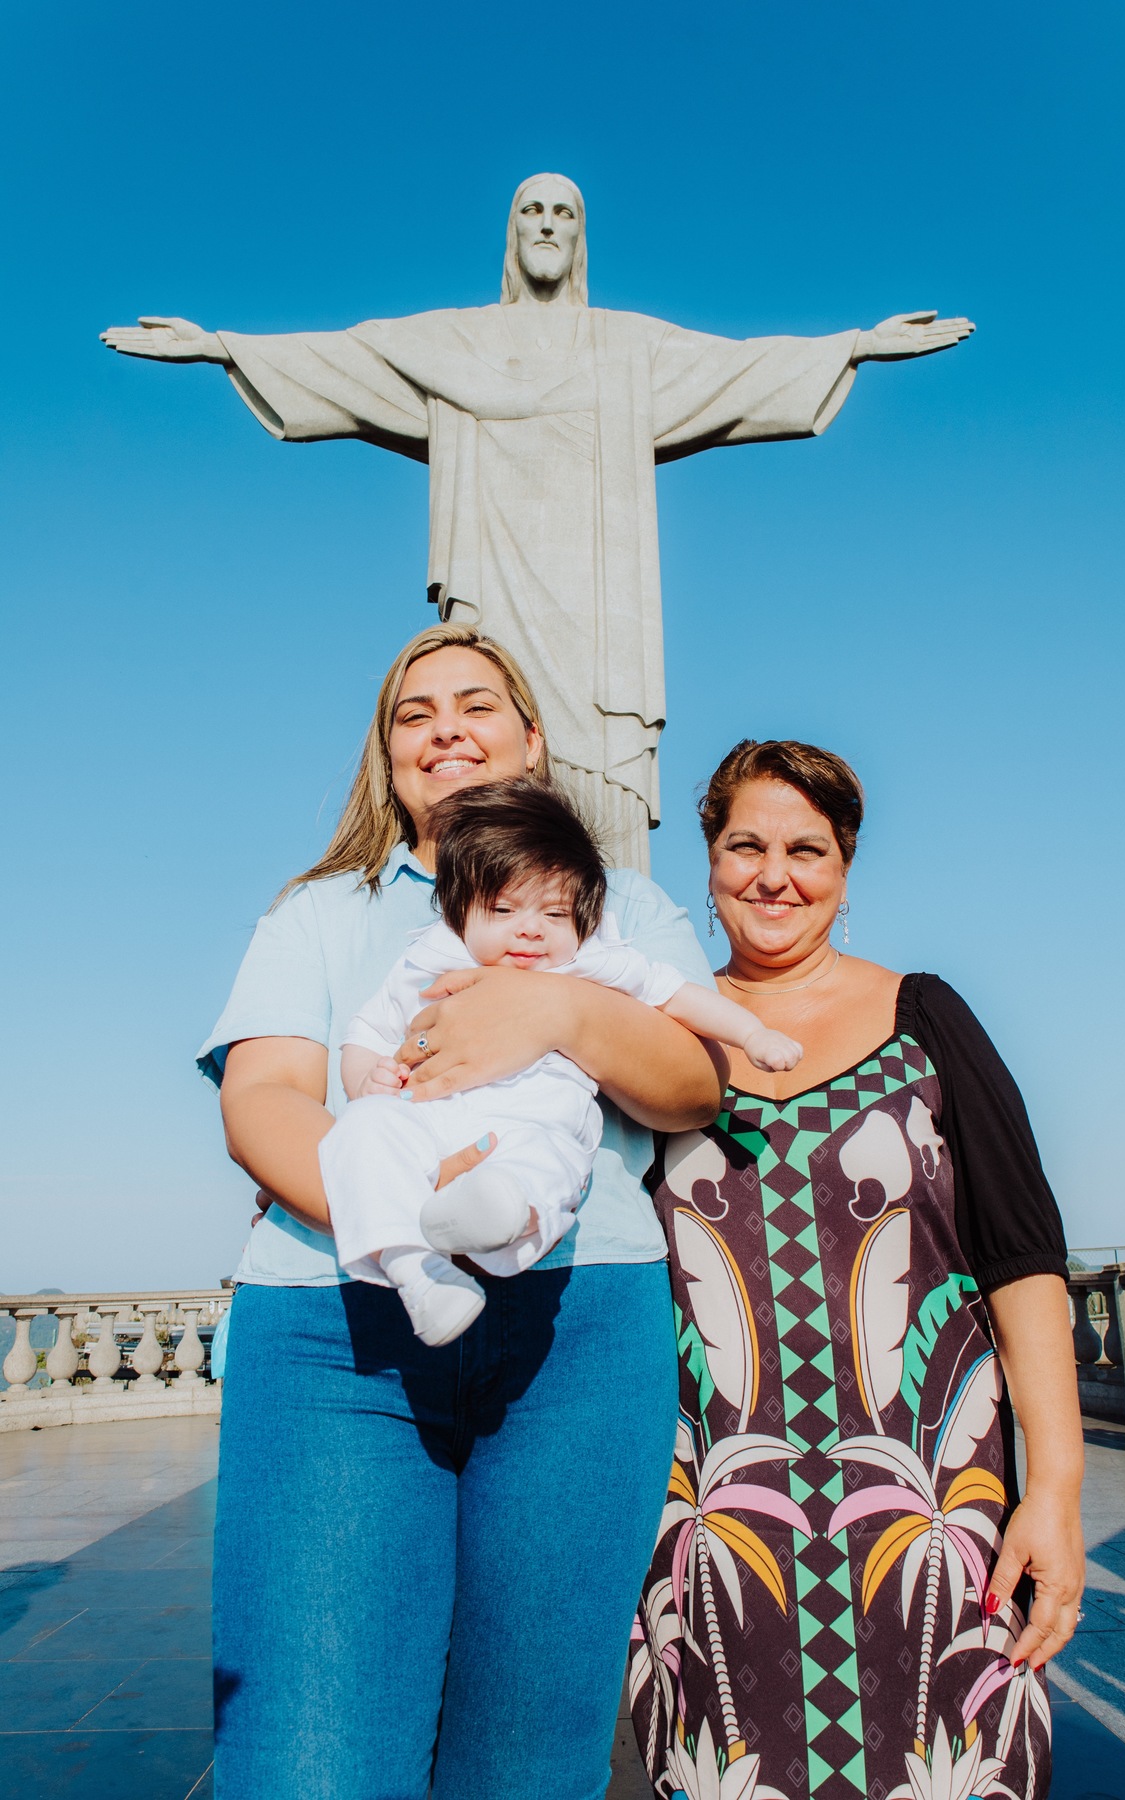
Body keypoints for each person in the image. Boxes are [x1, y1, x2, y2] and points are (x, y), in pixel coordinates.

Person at [198, 623, 727, 1800]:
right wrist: (410, 1216)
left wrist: (557, 1014)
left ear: (532, 741)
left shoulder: (626, 908)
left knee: (529, 1760)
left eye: (477, 704)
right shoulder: (320, 916)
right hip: (339, 1329)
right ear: (388, 761)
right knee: (308, 1762)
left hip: (580, 1335)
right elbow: (264, 1101)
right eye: (413, 713)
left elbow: (694, 1081)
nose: (446, 728)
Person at [101, 171, 973, 871]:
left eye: (563, 212)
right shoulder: (456, 345)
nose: (548, 224)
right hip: (498, 607)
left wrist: (852, 345)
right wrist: (225, 347)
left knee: (600, 802)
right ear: (514, 237)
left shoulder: (627, 350)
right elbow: (350, 356)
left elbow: (736, 372)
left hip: (601, 625)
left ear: (579, 235)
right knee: (490, 766)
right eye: (532, 212)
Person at [630, 739, 1084, 1800]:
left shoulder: (925, 1020)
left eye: (808, 849)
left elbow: (1023, 1260)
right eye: (746, 845)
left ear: (845, 868)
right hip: (714, 1526)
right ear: (707, 859)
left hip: (936, 1526)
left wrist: (1054, 1487)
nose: (773, 875)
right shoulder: (652, 1046)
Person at [322, 778, 801, 1346]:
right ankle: (417, 1275)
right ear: (458, 910)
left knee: (546, 1162)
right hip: (427, 1117)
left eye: (555, 912)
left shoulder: (588, 961)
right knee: (360, 1131)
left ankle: (500, 1216)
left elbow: (677, 996)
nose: (530, 928)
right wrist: (365, 1081)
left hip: (533, 1119)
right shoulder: (428, 959)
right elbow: (368, 1032)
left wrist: (753, 1034)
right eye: (503, 908)